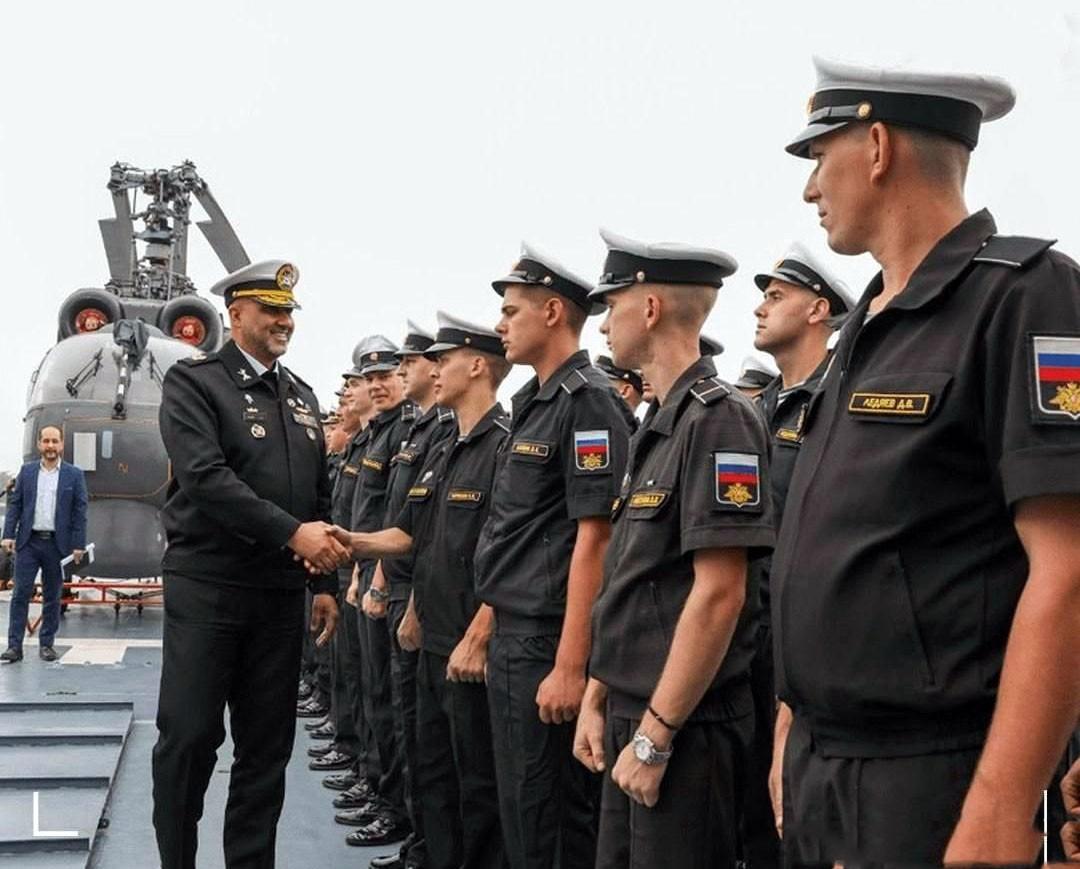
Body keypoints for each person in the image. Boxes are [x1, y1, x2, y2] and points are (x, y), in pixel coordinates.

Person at [770, 57, 1080, 866]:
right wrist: (792, 722)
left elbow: (1070, 568)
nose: (809, 188)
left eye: (819, 156)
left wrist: (1003, 804)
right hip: (823, 766)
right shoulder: (867, 322)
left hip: (935, 779)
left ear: (877, 147)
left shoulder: (1024, 295)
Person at [572, 229, 774, 869]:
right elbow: (634, 578)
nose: (604, 324)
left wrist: (656, 737)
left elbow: (720, 593)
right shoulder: (662, 424)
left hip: (685, 725)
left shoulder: (719, 419)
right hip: (635, 708)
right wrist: (599, 697)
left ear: (651, 308)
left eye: (612, 306)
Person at [150, 259, 346, 869]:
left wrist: (324, 583)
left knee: (267, 749)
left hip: (279, 597)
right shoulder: (195, 384)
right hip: (208, 589)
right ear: (236, 315)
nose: (284, 321)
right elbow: (205, 478)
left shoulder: (302, 398)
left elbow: (318, 498)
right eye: (271, 310)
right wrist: (293, 535)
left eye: (289, 312)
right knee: (188, 740)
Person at [331, 311, 511, 869]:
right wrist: (348, 542)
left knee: (475, 779)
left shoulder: (503, 446)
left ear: (475, 367)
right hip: (431, 630)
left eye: (441, 360)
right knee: (432, 764)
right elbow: (412, 535)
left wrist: (478, 635)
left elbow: (508, 555)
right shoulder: (445, 446)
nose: (432, 371)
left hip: (469, 641)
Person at [474, 241, 632, 869]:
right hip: (516, 634)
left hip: (546, 640)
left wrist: (570, 666)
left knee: (550, 821)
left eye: (511, 311)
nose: (500, 325)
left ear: (552, 312)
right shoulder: (536, 402)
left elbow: (596, 537)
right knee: (521, 807)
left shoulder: (587, 401)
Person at [743, 242, 855, 869]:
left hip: (802, 646)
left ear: (819, 311)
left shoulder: (839, 399)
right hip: (745, 642)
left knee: (795, 819)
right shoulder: (754, 411)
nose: (760, 308)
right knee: (749, 821)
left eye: (776, 296)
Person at [361, 319, 457, 869]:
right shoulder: (414, 432)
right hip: (391, 580)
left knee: (418, 730)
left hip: (413, 592)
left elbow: (427, 530)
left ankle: (414, 829)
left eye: (404, 366)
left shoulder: (437, 432)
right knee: (394, 709)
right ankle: (407, 823)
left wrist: (377, 575)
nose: (389, 379)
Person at [342, 337, 417, 847]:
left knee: (391, 700)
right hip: (368, 568)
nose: (377, 385)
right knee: (372, 687)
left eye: (386, 376)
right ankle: (376, 784)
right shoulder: (378, 435)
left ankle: (391, 804)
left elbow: (398, 518)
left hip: (389, 575)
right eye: (370, 379)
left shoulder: (406, 433)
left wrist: (378, 577)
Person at [1, 425, 88, 663]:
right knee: (20, 594)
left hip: (56, 545)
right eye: (46, 441)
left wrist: (78, 544)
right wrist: (8, 535)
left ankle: (47, 644)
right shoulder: (27, 472)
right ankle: (14, 646)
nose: (50, 446)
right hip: (28, 542)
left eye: (54, 441)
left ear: (61, 445)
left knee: (52, 596)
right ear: (39, 444)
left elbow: (79, 512)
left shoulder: (74, 475)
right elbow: (16, 505)